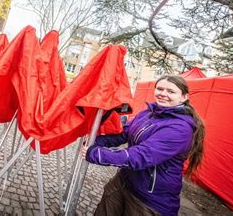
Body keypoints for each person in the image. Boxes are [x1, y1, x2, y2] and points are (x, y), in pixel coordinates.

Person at [84, 75, 205, 216]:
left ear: (184, 97)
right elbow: (124, 133)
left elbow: (141, 156)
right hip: (124, 182)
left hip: (149, 200)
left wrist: (97, 154)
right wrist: (96, 141)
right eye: (160, 89)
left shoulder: (180, 129)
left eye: (171, 91)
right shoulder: (149, 112)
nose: (163, 94)